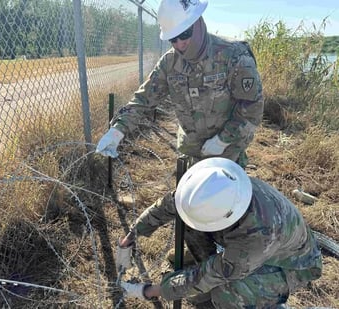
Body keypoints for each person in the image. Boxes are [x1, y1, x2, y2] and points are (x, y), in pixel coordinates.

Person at [116, 158, 322, 308]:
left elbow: (211, 274)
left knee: (226, 294)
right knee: (188, 220)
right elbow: (169, 205)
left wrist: (152, 291)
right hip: (260, 246)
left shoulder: (255, 236)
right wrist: (131, 236)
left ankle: (268, 301)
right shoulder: (220, 185)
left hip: (290, 266)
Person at [96, 0, 264, 168]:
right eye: (172, 39)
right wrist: (117, 131)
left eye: (184, 34)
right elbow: (143, 100)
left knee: (221, 192)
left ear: (198, 23)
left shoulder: (233, 56)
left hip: (227, 152)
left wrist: (223, 139)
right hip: (192, 148)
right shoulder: (170, 63)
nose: (179, 44)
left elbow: (252, 106)